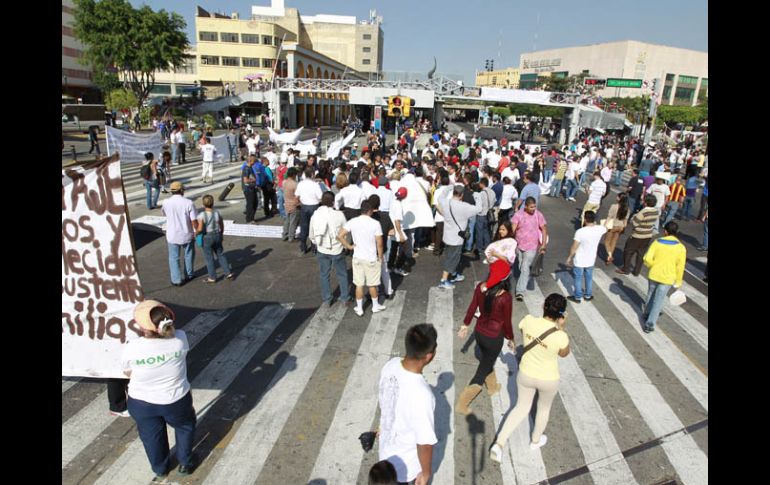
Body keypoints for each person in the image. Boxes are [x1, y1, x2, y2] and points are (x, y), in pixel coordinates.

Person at [489, 293, 570, 463]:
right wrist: (561, 327)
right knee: (543, 408)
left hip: (526, 373)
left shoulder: (527, 320)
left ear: (543, 306)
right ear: (561, 315)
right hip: (549, 378)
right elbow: (564, 353)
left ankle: (499, 443)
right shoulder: (560, 335)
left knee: (520, 408)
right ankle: (535, 441)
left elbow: (522, 329)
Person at [124, 300, 196, 480]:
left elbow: (127, 371)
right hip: (176, 400)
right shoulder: (180, 338)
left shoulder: (133, 347)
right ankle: (185, 463)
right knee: (185, 427)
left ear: (144, 329)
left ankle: (160, 468)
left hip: (141, 402)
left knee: (151, 436)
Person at [377, 324, 438, 485]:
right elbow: (424, 443)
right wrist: (426, 473)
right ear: (429, 356)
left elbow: (386, 399)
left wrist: (382, 427)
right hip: (404, 468)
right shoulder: (423, 395)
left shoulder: (390, 365)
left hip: (385, 452)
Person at [456, 260, 514, 415]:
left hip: (480, 333)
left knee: (487, 360)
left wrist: (465, 325)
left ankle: (493, 387)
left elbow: (472, 307)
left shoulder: (481, 287)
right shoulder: (505, 297)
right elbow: (507, 322)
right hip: (494, 337)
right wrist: (511, 338)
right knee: (482, 370)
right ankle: (462, 403)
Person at [338, 199, 386, 316]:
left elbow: (340, 235)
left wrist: (349, 246)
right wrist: (381, 257)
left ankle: (359, 308)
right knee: (372, 284)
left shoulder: (353, 221)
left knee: (359, 284)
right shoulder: (375, 223)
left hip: (357, 257)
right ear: (370, 211)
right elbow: (379, 244)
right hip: (370, 258)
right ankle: (375, 306)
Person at [641, 221, 686, 333]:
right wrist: (678, 282)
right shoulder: (681, 247)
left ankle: (646, 313)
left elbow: (647, 259)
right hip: (668, 278)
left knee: (650, 294)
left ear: (665, 231)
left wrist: (653, 266)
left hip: (654, 274)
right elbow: (680, 267)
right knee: (659, 300)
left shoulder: (657, 242)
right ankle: (650, 324)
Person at [436, 185, 483, 289]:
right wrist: (477, 196)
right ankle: (444, 280)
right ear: (462, 195)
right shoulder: (465, 206)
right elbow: (479, 209)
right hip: (457, 238)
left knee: (449, 255)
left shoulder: (444, 202)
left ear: (453, 192)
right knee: (452, 259)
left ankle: (453, 274)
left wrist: (449, 187)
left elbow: (440, 196)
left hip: (447, 235)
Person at [310, 191, 351, 306]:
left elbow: (311, 233)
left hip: (322, 248)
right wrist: (345, 244)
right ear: (333, 202)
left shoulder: (316, 214)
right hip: (337, 248)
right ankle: (344, 298)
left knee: (324, 274)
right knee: (342, 274)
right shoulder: (339, 215)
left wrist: (316, 242)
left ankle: (327, 299)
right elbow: (346, 231)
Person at [162, 182, 199, 286]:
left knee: (174, 257)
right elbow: (194, 220)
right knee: (189, 254)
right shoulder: (188, 203)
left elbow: (164, 214)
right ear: (182, 190)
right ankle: (189, 274)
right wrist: (196, 231)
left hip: (172, 233)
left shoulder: (166, 202)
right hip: (187, 233)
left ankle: (176, 280)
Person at [511, 197, 548, 301]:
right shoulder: (518, 215)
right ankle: (524, 276)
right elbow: (512, 229)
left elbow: (544, 229)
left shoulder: (538, 214)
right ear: (525, 206)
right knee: (521, 265)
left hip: (532, 246)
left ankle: (519, 291)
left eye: (534, 206)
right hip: (519, 245)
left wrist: (543, 244)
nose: (533, 209)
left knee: (525, 267)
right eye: (531, 207)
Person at [566, 211, 607, 303]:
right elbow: (606, 227)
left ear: (585, 219)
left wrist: (569, 257)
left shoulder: (580, 232)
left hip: (580, 259)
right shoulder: (600, 229)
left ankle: (577, 297)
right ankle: (588, 295)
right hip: (591, 259)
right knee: (588, 277)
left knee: (578, 278)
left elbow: (574, 246)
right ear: (594, 219)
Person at [616, 195, 659, 276]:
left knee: (628, 251)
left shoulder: (643, 212)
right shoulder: (656, 211)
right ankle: (637, 271)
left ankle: (626, 268)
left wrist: (635, 215)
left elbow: (635, 223)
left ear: (646, 203)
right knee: (640, 254)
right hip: (648, 235)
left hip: (637, 235)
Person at [195, 195, 233, 283]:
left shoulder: (201, 215)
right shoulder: (217, 212)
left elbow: (200, 229)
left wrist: (195, 233)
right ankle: (228, 273)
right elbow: (221, 223)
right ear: (213, 203)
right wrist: (221, 232)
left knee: (209, 257)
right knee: (220, 254)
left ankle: (212, 277)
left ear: (203, 204)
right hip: (217, 234)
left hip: (207, 236)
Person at [296, 167, 325, 255]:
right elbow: (320, 197)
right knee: (314, 227)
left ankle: (303, 247)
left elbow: (297, 195)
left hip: (304, 206)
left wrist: (300, 202)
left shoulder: (301, 184)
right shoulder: (315, 185)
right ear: (312, 174)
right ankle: (314, 247)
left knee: (304, 227)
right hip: (314, 207)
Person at [603, 193, 630, 265]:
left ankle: (610, 256)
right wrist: (624, 227)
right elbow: (626, 220)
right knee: (613, 242)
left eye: (617, 197)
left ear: (619, 199)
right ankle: (609, 257)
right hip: (620, 226)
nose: (616, 197)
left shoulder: (614, 206)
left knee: (607, 242)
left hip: (613, 225)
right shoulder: (627, 209)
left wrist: (605, 225)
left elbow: (609, 217)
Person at [282, 167, 300, 241]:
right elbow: (297, 196)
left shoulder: (284, 182)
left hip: (286, 204)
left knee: (287, 221)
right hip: (294, 205)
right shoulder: (295, 184)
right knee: (293, 222)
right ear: (293, 175)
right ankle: (291, 237)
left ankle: (284, 235)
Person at [242, 156, 259, 224]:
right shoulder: (246, 169)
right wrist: (253, 180)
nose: (255, 163)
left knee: (255, 203)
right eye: (254, 161)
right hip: (248, 189)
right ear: (250, 161)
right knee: (250, 204)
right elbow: (245, 180)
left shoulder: (250, 168)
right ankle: (249, 219)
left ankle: (251, 217)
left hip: (252, 187)